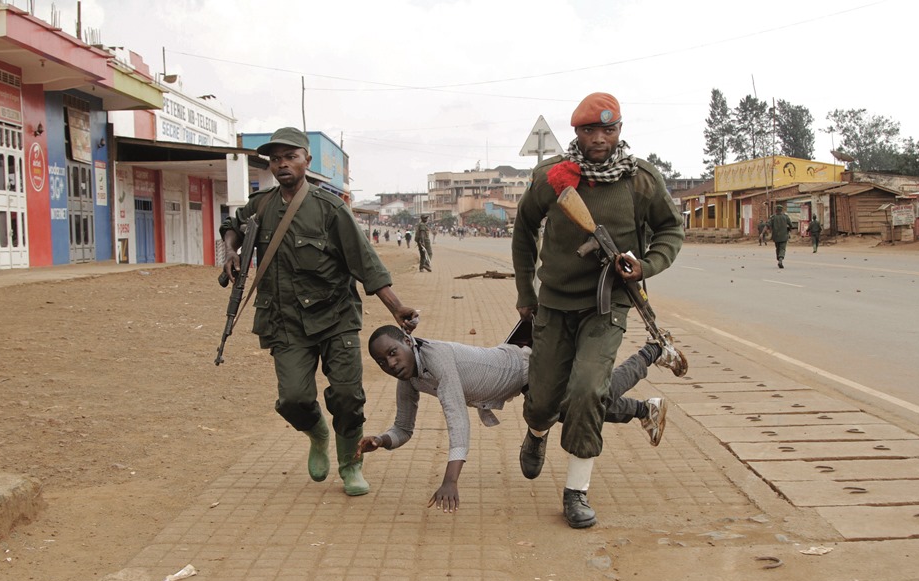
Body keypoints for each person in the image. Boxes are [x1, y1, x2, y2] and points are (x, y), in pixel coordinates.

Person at [511, 91, 685, 529]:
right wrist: (525, 292)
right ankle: (535, 433)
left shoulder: (641, 180)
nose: (600, 138)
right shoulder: (552, 177)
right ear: (577, 133)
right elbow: (524, 229)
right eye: (591, 130)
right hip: (553, 302)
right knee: (544, 398)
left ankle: (576, 490)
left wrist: (644, 265)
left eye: (608, 129)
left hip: (608, 305)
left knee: (589, 390)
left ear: (620, 130)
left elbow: (670, 230)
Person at [219, 127, 419, 497]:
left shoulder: (331, 209)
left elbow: (366, 264)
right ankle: (317, 432)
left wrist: (396, 308)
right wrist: (231, 251)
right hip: (283, 320)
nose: (282, 164)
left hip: (335, 318)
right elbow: (232, 226)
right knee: (293, 399)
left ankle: (350, 464)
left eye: (290, 156)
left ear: (306, 161)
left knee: (347, 396)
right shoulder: (260, 206)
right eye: (275, 158)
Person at [358, 324, 686, 512]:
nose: (390, 363)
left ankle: (653, 350)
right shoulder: (410, 378)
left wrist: (451, 480)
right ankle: (647, 410)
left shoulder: (436, 357)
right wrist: (382, 440)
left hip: (533, 367)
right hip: (526, 384)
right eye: (381, 361)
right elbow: (403, 427)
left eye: (392, 352)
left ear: (407, 340)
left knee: (596, 395)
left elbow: (457, 418)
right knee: (576, 411)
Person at [769, 204, 795, 268]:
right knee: (782, 248)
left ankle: (779, 258)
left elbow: (768, 225)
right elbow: (791, 225)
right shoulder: (785, 217)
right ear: (781, 210)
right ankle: (780, 259)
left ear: (776, 210)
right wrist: (790, 228)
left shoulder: (773, 217)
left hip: (776, 236)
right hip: (784, 236)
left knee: (777, 248)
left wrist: (763, 233)